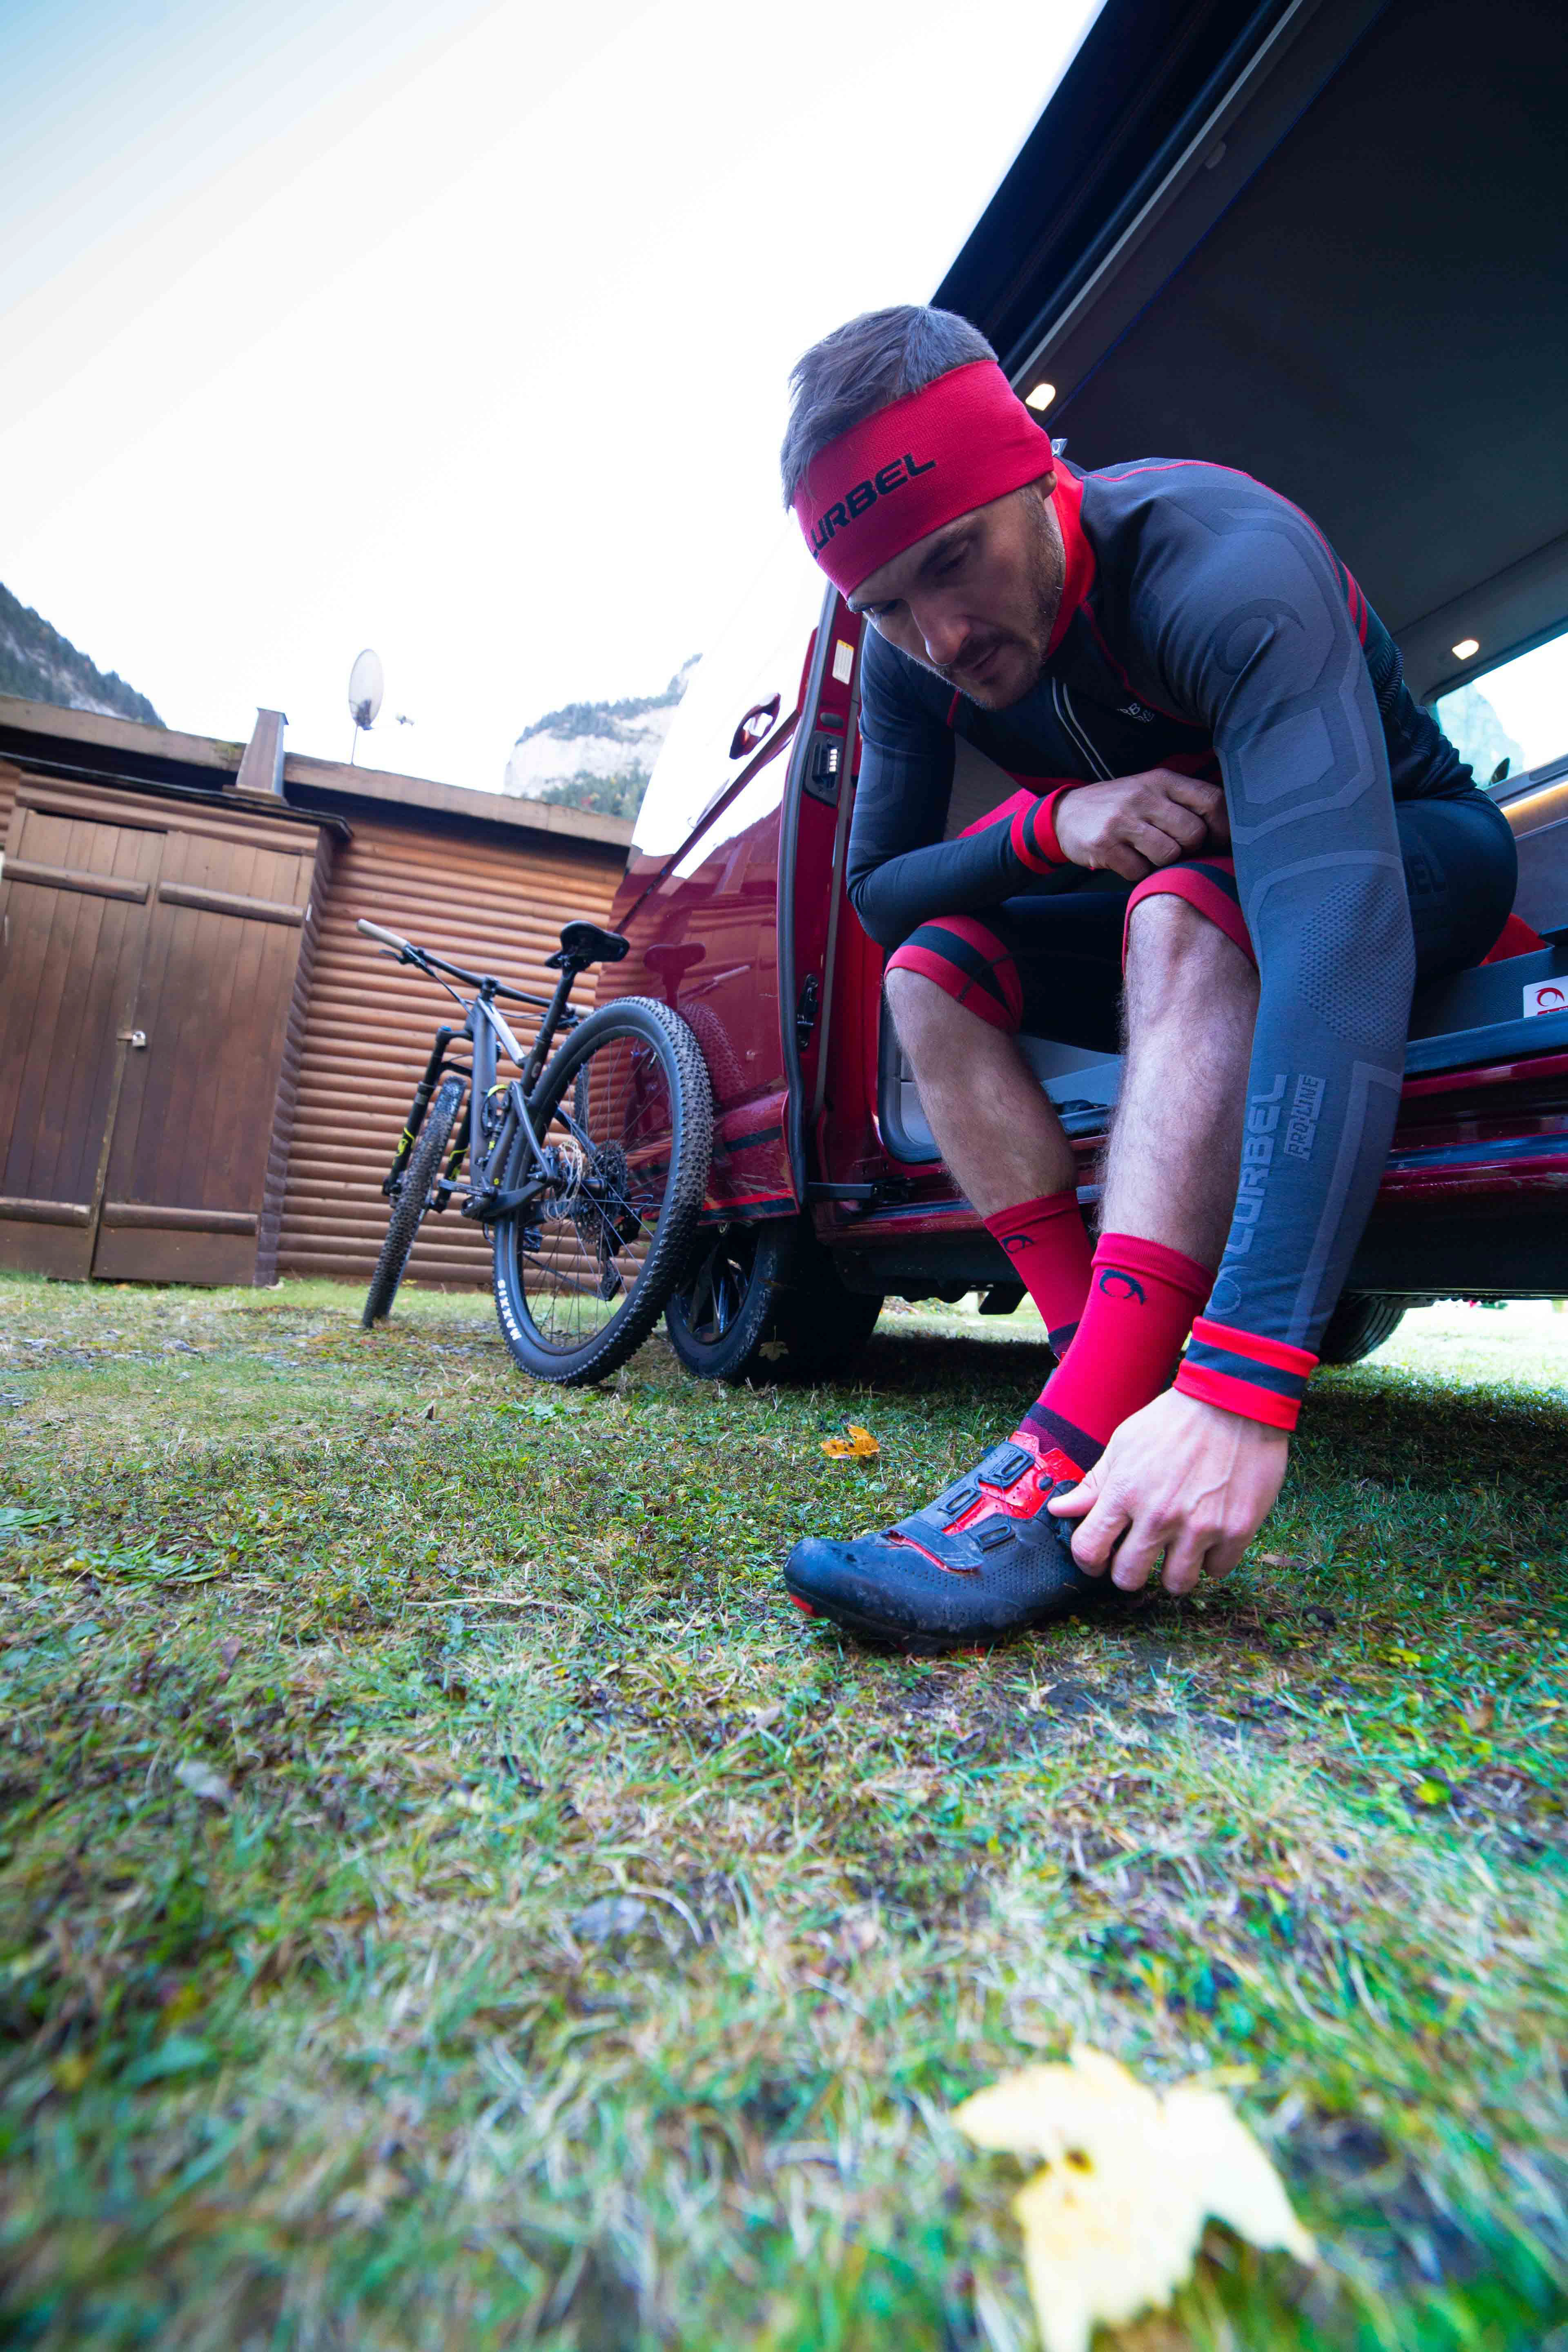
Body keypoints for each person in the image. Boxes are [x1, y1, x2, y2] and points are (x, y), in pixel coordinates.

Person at [779, 306, 1517, 1649]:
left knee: (1180, 908)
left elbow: (1334, 937)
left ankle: (1083, 1437)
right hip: (1182, 880)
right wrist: (1050, 826)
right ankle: (1098, 1370)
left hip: (1412, 852)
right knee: (930, 974)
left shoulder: (1219, 563)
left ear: (1032, 471)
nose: (939, 635)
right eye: (885, 604)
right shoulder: (910, 655)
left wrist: (1245, 1383)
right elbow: (881, 890)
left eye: (955, 559)